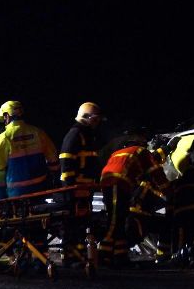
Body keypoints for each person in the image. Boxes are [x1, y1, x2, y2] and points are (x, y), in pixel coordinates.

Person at [99, 135, 168, 267]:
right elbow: (155, 171)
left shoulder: (120, 152)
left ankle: (120, 256)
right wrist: (169, 190)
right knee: (114, 222)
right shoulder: (142, 152)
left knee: (119, 221)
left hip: (109, 183)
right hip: (118, 183)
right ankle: (103, 255)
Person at [0, 100, 60, 198]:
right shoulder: (37, 132)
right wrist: (55, 177)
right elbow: (53, 157)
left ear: (7, 116)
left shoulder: (5, 137)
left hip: (17, 191)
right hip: (41, 187)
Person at [59, 102, 103, 187]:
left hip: (86, 186)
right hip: (76, 187)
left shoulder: (87, 135)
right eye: (95, 119)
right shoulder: (75, 134)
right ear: (86, 117)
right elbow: (66, 161)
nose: (97, 122)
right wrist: (70, 186)